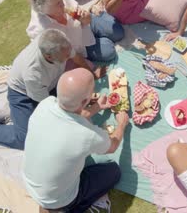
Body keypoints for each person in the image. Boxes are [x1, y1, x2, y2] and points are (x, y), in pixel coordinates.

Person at [23, 68, 130, 212]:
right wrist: (122, 125)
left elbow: (69, 116)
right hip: (58, 199)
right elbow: (112, 146)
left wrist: (97, 107)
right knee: (113, 172)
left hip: (30, 183)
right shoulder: (86, 134)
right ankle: (69, 208)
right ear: (85, 100)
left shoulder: (45, 104)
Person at [0, 29, 74, 152]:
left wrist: (91, 72)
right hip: (22, 93)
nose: (70, 56)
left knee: (74, 97)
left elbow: (73, 54)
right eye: (66, 56)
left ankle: (14, 113)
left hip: (47, 85)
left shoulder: (58, 41)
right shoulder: (33, 72)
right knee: (26, 139)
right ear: (49, 56)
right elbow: (47, 104)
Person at [27, 0, 124, 78]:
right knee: (110, 51)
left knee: (119, 32)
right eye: (58, 4)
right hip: (80, 47)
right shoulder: (42, 31)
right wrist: (92, 73)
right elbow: (71, 54)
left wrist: (86, 17)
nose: (63, 4)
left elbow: (86, 19)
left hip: (85, 25)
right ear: (45, 11)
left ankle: (96, 14)